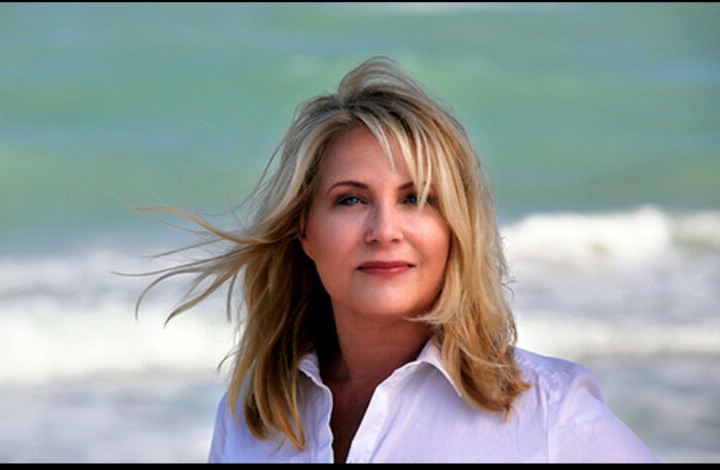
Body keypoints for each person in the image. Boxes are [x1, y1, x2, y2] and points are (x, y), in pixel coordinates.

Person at [136, 57, 658, 463]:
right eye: (350, 199)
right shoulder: (253, 418)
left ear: (455, 228)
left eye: (417, 199)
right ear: (304, 231)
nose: (384, 230)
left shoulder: (551, 413)